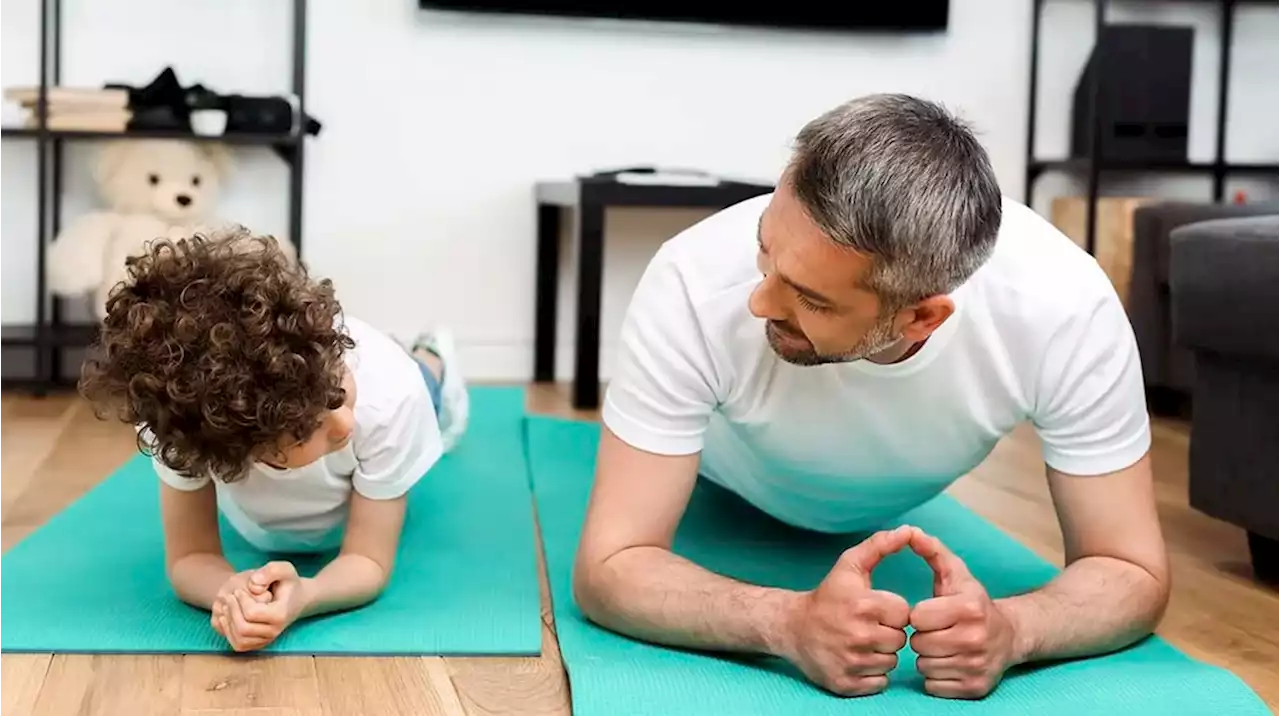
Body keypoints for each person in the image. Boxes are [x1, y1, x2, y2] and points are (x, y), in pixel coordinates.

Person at [571, 93, 1170, 700]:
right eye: (765, 247)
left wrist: (1015, 630)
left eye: (810, 298)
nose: (759, 302)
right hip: (725, 485)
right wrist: (786, 623)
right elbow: (611, 564)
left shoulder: (1063, 307)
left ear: (922, 319)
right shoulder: (692, 280)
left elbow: (1130, 568)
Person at [78, 227, 469, 652]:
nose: (343, 425)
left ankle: (432, 352)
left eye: (336, 391)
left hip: (400, 384)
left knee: (423, 383)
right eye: (305, 430)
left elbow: (368, 559)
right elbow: (190, 558)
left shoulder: (390, 395)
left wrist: (309, 595)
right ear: (232, 453)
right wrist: (232, 595)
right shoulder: (182, 425)